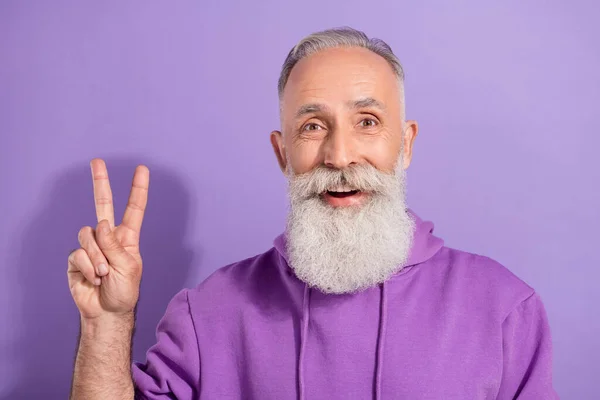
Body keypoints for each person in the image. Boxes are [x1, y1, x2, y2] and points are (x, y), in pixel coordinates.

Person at [68, 27, 558, 399]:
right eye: (312, 126)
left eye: (367, 122)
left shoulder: (504, 310)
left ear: (405, 143)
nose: (340, 155)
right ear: (283, 154)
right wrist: (106, 324)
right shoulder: (207, 314)